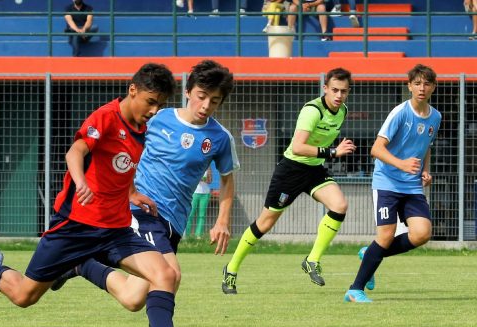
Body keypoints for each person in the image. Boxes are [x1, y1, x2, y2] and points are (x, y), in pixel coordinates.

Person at [0, 63, 212, 327]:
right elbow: (76, 151)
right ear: (133, 90)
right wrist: (80, 182)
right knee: (24, 296)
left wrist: (131, 193)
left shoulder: (141, 130)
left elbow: (124, 165)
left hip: (116, 229)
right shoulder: (106, 117)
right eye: (150, 101)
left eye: (159, 104)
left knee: (165, 274)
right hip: (75, 227)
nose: (154, 110)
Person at [51, 59, 238, 316]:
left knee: (133, 298)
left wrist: (222, 221)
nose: (205, 106)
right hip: (144, 212)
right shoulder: (157, 117)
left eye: (214, 101)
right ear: (188, 92)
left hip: (174, 223)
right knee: (170, 274)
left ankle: (80, 265)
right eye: (201, 96)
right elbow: (123, 146)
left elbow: (227, 179)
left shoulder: (220, 138)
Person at [221, 67, 356, 294]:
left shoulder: (342, 111)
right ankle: (231, 270)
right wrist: (333, 152)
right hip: (291, 170)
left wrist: (327, 155)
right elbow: (298, 147)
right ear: (325, 89)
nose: (338, 95)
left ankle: (312, 260)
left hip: (314, 169)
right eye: (334, 90)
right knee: (265, 223)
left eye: (343, 91)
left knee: (340, 205)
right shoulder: (312, 110)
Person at [344, 64, 441, 303]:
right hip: (387, 182)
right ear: (409, 86)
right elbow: (376, 149)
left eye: (426, 83)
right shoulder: (400, 112)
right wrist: (402, 164)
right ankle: (355, 290)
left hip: (412, 186)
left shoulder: (435, 116)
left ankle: (370, 253)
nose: (422, 88)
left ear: (433, 87)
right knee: (386, 236)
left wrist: (424, 171)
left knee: (421, 233)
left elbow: (425, 146)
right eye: (417, 83)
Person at [185, 168, 213, 239]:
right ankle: (186, 235)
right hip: (195, 192)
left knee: (202, 215)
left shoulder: (208, 168)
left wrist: (207, 178)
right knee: (190, 214)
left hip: (205, 193)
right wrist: (199, 178)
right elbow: (191, 179)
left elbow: (210, 181)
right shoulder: (196, 166)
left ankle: (198, 235)